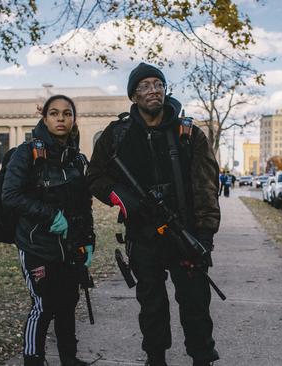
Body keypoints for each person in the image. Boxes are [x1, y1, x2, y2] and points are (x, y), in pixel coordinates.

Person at [87, 63, 221, 366]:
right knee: (151, 305)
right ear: (134, 95)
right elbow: (95, 176)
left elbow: (206, 188)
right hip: (143, 236)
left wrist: (204, 237)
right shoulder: (117, 134)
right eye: (145, 85)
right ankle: (155, 358)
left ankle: (202, 357)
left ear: (165, 90)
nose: (153, 90)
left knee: (195, 303)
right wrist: (122, 199)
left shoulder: (189, 134)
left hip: (184, 232)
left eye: (158, 84)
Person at [2, 95, 95, 366]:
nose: (61, 119)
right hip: (36, 245)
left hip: (69, 246)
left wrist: (87, 239)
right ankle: (33, 359)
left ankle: (69, 358)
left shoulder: (78, 159)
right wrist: (51, 216)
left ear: (73, 119)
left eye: (67, 113)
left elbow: (84, 205)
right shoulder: (27, 153)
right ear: (44, 118)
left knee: (67, 303)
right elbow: (10, 196)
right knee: (43, 305)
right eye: (54, 113)